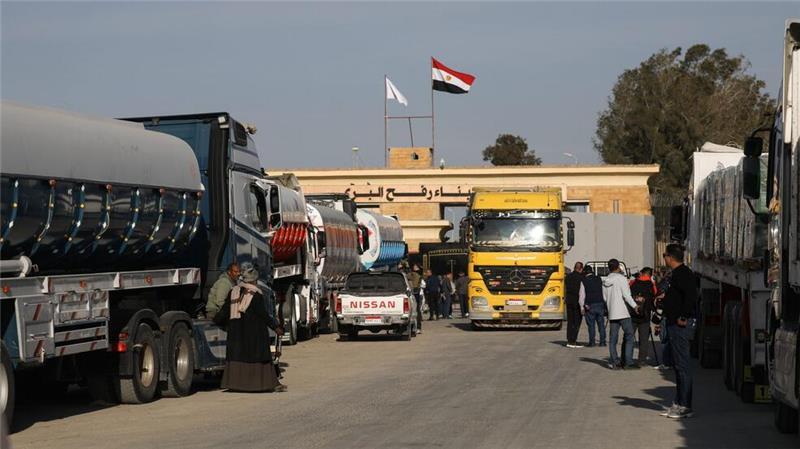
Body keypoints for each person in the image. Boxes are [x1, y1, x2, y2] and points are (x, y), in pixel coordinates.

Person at [217, 263, 286, 392]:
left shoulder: (234, 291)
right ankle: (262, 384)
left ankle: (236, 385)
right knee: (259, 355)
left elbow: (225, 311)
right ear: (254, 280)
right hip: (254, 333)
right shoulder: (256, 294)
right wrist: (276, 326)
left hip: (236, 333)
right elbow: (263, 314)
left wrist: (216, 321)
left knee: (238, 355)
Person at [657, 244, 697, 419]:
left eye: (665, 255)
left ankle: (685, 405)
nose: (664, 258)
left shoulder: (684, 274)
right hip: (673, 323)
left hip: (680, 325)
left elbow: (690, 296)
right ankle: (678, 402)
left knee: (683, 366)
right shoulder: (677, 274)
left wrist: (683, 315)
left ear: (670, 257)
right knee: (678, 366)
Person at [603, 258, 639, 370]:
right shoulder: (621, 279)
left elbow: (605, 298)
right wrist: (635, 306)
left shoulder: (605, 280)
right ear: (618, 266)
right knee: (629, 336)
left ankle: (615, 362)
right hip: (623, 312)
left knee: (613, 340)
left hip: (612, 313)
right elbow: (626, 296)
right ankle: (628, 362)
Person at [630, 267, 657, 365]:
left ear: (642, 273)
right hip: (645, 315)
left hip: (633, 314)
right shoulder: (651, 285)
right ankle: (641, 360)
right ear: (650, 275)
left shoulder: (633, 282)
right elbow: (655, 296)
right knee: (644, 339)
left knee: (629, 337)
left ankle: (627, 358)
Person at [582, 265, 606, 347]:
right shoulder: (599, 279)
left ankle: (592, 342)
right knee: (601, 324)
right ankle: (602, 342)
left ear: (585, 272)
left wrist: (584, 305)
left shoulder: (584, 280)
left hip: (590, 304)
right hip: (600, 303)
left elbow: (582, 294)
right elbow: (603, 291)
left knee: (591, 325)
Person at [564, 262, 586, 348]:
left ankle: (569, 340)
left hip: (569, 301)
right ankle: (573, 341)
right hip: (577, 302)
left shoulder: (568, 277)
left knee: (570, 322)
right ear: (581, 268)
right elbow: (582, 292)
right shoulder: (581, 278)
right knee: (576, 322)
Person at [406, 263, 424, 333]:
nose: (415, 267)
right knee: (416, 310)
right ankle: (417, 327)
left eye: (416, 266)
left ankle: (417, 327)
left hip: (414, 293)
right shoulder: (417, 274)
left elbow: (407, 277)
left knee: (415, 310)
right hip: (416, 293)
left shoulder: (414, 274)